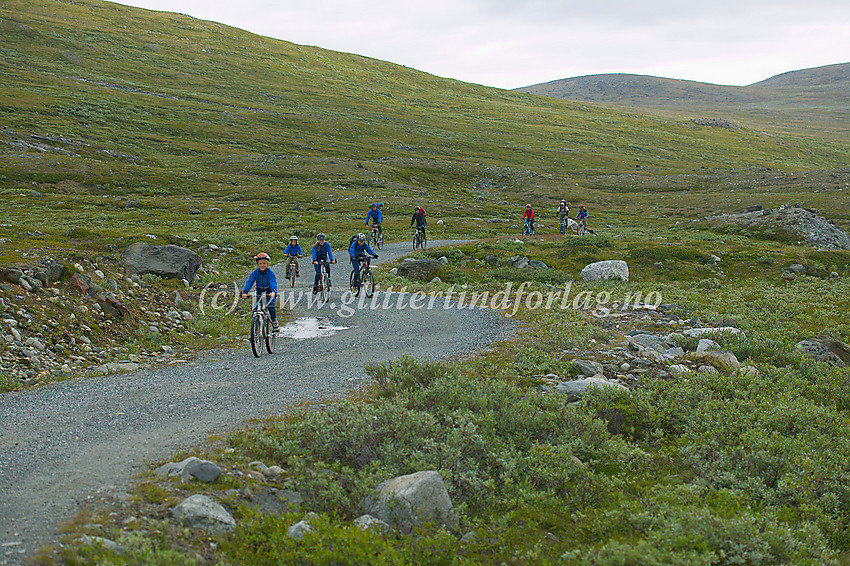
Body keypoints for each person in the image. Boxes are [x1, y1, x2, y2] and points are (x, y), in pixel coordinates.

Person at [241, 252, 278, 330]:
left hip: (269, 292)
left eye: (264, 263)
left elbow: (273, 282)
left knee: (270, 305)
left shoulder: (270, 273)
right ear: (257, 265)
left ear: (267, 264)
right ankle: (254, 330)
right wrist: (245, 292)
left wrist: (273, 292)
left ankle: (274, 321)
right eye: (260, 263)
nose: (262, 265)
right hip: (259, 292)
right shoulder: (255, 272)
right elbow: (250, 281)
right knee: (255, 309)